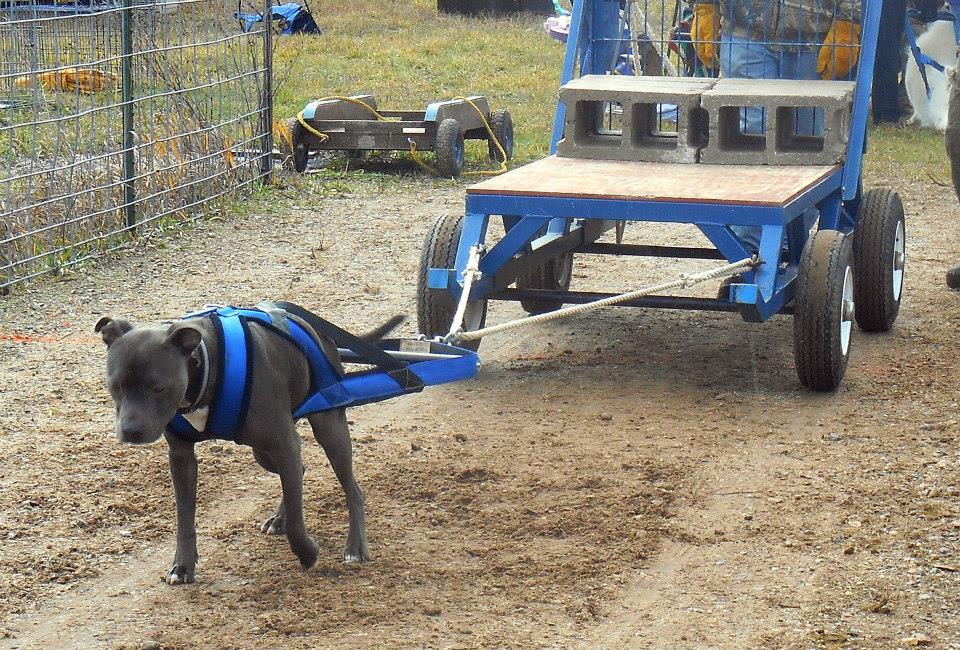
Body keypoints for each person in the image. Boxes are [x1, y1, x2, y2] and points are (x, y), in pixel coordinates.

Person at [689, 0, 862, 253]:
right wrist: (704, 5)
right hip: (745, 35)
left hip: (817, 38)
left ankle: (792, 245)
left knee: (810, 147)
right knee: (748, 144)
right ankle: (748, 252)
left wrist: (849, 20)